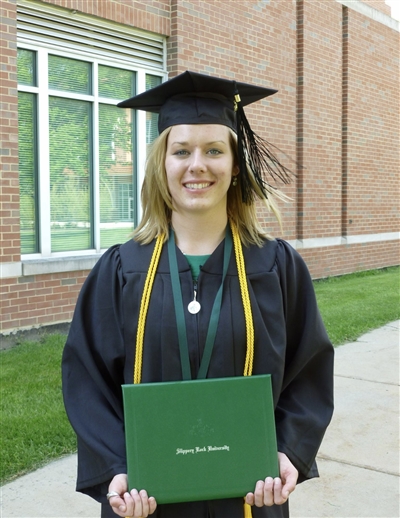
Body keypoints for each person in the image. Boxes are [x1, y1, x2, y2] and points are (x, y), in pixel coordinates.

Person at [62, 71, 334, 518]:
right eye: (181, 150)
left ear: (235, 165)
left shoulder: (276, 265)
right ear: (161, 164)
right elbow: (87, 378)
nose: (197, 165)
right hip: (145, 500)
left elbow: (309, 370)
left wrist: (288, 451)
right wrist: (115, 467)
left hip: (250, 496)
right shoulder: (121, 269)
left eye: (214, 150)